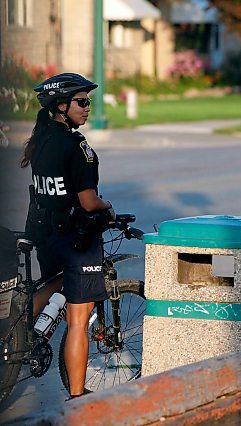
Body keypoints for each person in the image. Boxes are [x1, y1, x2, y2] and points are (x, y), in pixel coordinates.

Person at [20, 73, 115, 399]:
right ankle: (77, 397)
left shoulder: (42, 140)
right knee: (78, 321)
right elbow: (89, 201)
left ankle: (19, 336)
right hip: (76, 238)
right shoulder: (77, 147)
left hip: (46, 233)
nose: (88, 108)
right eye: (82, 102)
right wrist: (110, 209)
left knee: (54, 282)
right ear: (62, 106)